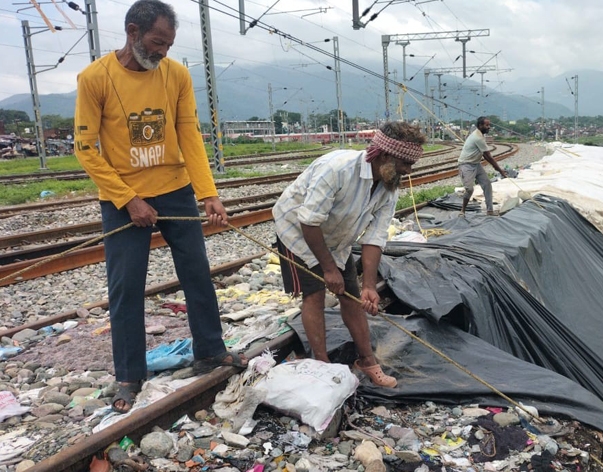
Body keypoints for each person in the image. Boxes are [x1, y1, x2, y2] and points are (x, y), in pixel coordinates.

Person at [74, 0, 245, 414]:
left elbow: (189, 134)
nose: (162, 52)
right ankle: (129, 376)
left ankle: (209, 350)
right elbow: (85, 148)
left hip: (175, 189)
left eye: (168, 44)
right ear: (132, 32)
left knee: (197, 273)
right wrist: (128, 199)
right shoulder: (94, 78)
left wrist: (208, 193)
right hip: (122, 198)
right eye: (156, 42)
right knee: (126, 287)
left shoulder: (177, 75)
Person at [272, 121, 426, 388]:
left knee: (353, 297)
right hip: (297, 231)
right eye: (406, 164)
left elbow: (375, 237)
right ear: (387, 155)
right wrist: (329, 270)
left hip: (336, 238)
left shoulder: (389, 185)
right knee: (315, 294)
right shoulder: (336, 169)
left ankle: (367, 361)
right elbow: (309, 221)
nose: (408, 171)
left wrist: (369, 286)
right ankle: (322, 364)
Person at [458, 117, 508, 216]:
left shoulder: (480, 135)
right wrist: (500, 171)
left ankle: (490, 211)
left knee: (487, 184)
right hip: (466, 165)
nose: (489, 127)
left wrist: (498, 169)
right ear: (480, 126)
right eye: (486, 125)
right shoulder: (478, 137)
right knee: (469, 189)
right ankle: (462, 211)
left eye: (489, 125)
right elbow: (488, 156)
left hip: (476, 164)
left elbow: (485, 156)